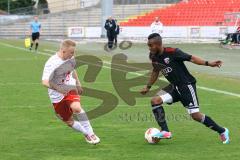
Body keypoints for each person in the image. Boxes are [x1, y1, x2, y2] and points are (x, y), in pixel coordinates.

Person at [140, 33, 230, 144]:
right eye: (148, 45)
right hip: (174, 87)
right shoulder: (154, 57)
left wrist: (208, 63)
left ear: (158, 44)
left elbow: (191, 58)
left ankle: (222, 131)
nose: (149, 48)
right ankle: (165, 131)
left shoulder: (173, 52)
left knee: (195, 116)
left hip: (186, 86)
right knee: (155, 100)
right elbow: (155, 71)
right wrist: (148, 87)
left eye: (151, 45)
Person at [42, 39, 100, 145]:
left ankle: (91, 133)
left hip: (70, 88)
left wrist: (78, 83)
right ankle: (86, 133)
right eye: (71, 52)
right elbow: (45, 82)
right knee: (69, 121)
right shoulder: (52, 63)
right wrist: (59, 89)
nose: (73, 55)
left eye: (74, 52)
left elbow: (73, 70)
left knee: (76, 108)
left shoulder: (71, 58)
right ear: (63, 51)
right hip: (56, 95)